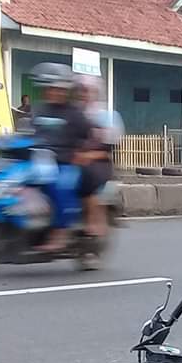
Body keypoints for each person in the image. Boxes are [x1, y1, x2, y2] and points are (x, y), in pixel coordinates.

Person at [29, 63, 93, 252]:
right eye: (49, 88)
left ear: (65, 90)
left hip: (66, 164)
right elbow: (28, 133)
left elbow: (88, 136)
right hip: (39, 161)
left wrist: (81, 153)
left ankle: (61, 232)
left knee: (60, 187)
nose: (52, 92)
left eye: (57, 88)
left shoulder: (75, 114)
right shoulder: (40, 110)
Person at [74, 75, 123, 241]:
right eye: (81, 90)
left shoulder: (107, 117)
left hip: (99, 163)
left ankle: (94, 221)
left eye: (87, 91)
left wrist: (89, 155)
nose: (84, 94)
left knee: (88, 176)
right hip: (74, 159)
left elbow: (109, 150)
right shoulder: (74, 113)